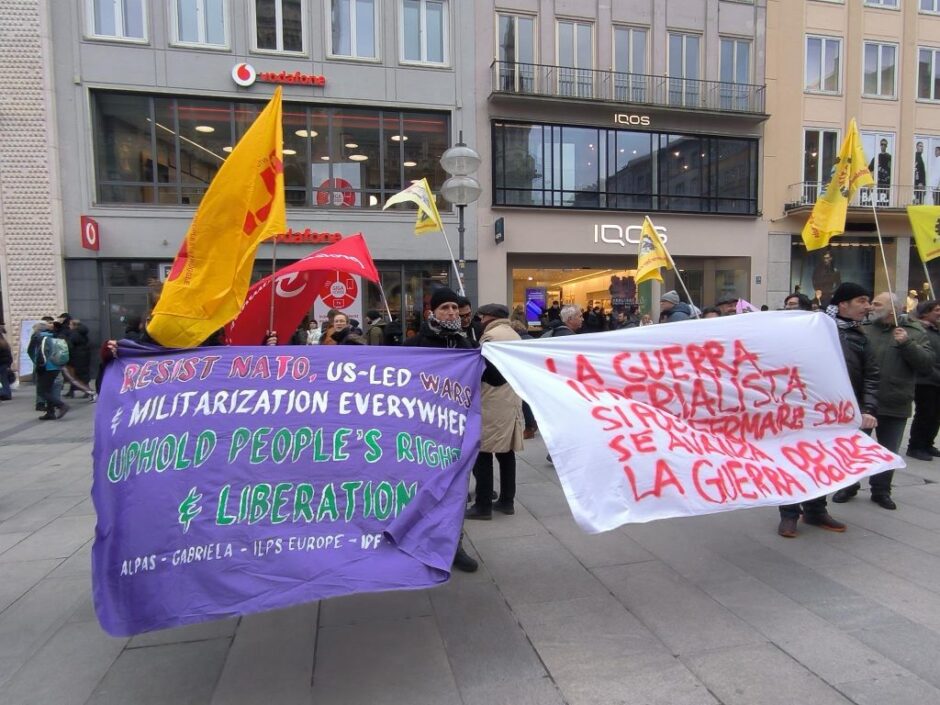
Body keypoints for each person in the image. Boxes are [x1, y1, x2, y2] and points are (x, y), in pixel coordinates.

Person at [778, 282, 878, 537]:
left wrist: (867, 408)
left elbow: (871, 376)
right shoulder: (812, 329)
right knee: (795, 462)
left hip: (840, 415)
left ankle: (815, 511)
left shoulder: (861, 335)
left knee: (824, 463)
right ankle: (789, 514)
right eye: (862, 300)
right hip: (805, 411)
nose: (867, 307)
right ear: (843, 304)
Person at [833, 292, 933, 509]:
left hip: (895, 401)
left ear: (892, 309)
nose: (870, 307)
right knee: (855, 449)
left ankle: (881, 490)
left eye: (876, 304)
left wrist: (907, 344)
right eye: (868, 303)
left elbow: (926, 365)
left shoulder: (914, 332)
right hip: (863, 403)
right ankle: (849, 485)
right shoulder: (864, 329)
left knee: (888, 450)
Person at [403, 287, 477, 572]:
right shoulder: (414, 345)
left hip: (458, 433)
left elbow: (492, 379)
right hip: (423, 432)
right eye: (445, 307)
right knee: (424, 489)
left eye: (456, 308)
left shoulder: (466, 345)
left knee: (456, 491)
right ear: (431, 312)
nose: (452, 313)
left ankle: (453, 545)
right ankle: (419, 540)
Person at [465, 303, 525, 520]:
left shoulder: (491, 338)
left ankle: (482, 506)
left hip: (492, 401)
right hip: (510, 400)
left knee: (483, 453)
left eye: (481, 317)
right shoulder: (513, 334)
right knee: (506, 453)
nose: (479, 321)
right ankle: (507, 501)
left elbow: (486, 372)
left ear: (489, 317)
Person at [908, 299, 940, 461]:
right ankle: (916, 446)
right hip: (925, 380)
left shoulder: (936, 330)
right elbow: (923, 358)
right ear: (925, 312)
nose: (939, 313)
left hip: (936, 380)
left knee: (935, 415)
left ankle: (928, 443)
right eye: (936, 310)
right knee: (925, 413)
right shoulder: (920, 330)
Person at [27, 320, 69, 420]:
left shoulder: (37, 337)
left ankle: (61, 405)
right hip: (56, 365)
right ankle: (50, 412)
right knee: (49, 389)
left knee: (42, 391)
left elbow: (30, 351)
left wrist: (36, 362)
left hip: (45, 367)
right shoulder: (53, 335)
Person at [64, 319, 95, 400]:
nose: (69, 326)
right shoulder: (83, 333)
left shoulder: (74, 334)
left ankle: (88, 391)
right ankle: (73, 391)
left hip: (76, 356)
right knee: (80, 374)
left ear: (74, 325)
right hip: (84, 356)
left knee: (75, 374)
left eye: (70, 324)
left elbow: (70, 345)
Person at [0, 324, 12, 401]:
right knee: (4, 379)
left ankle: (3, 393)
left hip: (1, 363)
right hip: (4, 363)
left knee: (2, 380)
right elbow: (8, 354)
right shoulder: (4, 342)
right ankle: (7, 394)